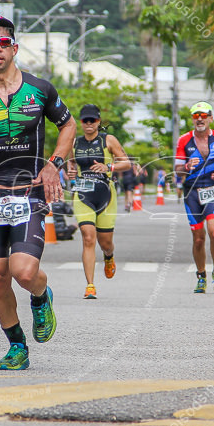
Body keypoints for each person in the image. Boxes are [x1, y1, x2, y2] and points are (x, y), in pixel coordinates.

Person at [0, 13, 76, 370]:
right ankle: (17, 344)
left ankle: (41, 295)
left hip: (29, 193)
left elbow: (66, 125)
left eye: (4, 43)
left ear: (15, 48)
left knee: (23, 272)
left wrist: (54, 162)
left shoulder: (40, 89)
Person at [69, 104, 130, 299]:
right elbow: (70, 164)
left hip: (105, 195)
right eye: (85, 120)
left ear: (98, 122)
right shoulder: (74, 143)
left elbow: (127, 162)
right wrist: (70, 171)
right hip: (83, 195)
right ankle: (90, 285)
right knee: (88, 237)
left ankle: (109, 256)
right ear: (81, 122)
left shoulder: (108, 140)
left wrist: (108, 166)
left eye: (92, 120)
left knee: (106, 243)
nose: (88, 124)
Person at [175, 102, 214, 293]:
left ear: (211, 118)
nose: (199, 119)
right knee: (198, 238)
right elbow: (177, 170)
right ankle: (201, 274)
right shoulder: (184, 140)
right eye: (196, 116)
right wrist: (187, 167)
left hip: (213, 190)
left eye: (203, 116)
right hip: (192, 193)